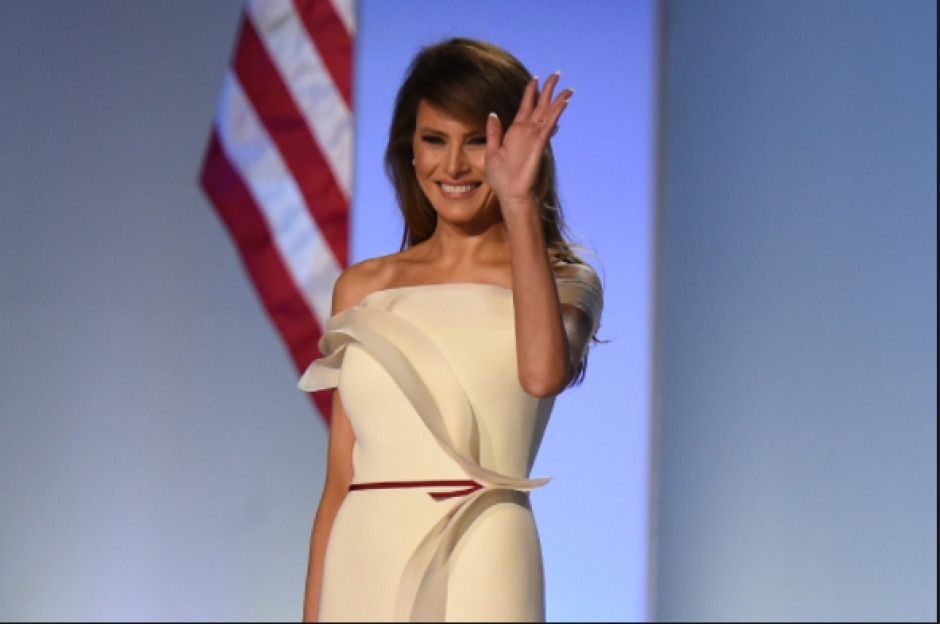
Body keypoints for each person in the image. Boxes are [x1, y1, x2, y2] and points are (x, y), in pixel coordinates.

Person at [298, 38, 603, 622]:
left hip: (486, 552)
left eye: (479, 144)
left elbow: (542, 376)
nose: (455, 166)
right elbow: (339, 480)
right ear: (409, 150)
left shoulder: (564, 279)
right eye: (434, 139)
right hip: (363, 558)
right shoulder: (363, 287)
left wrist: (517, 204)